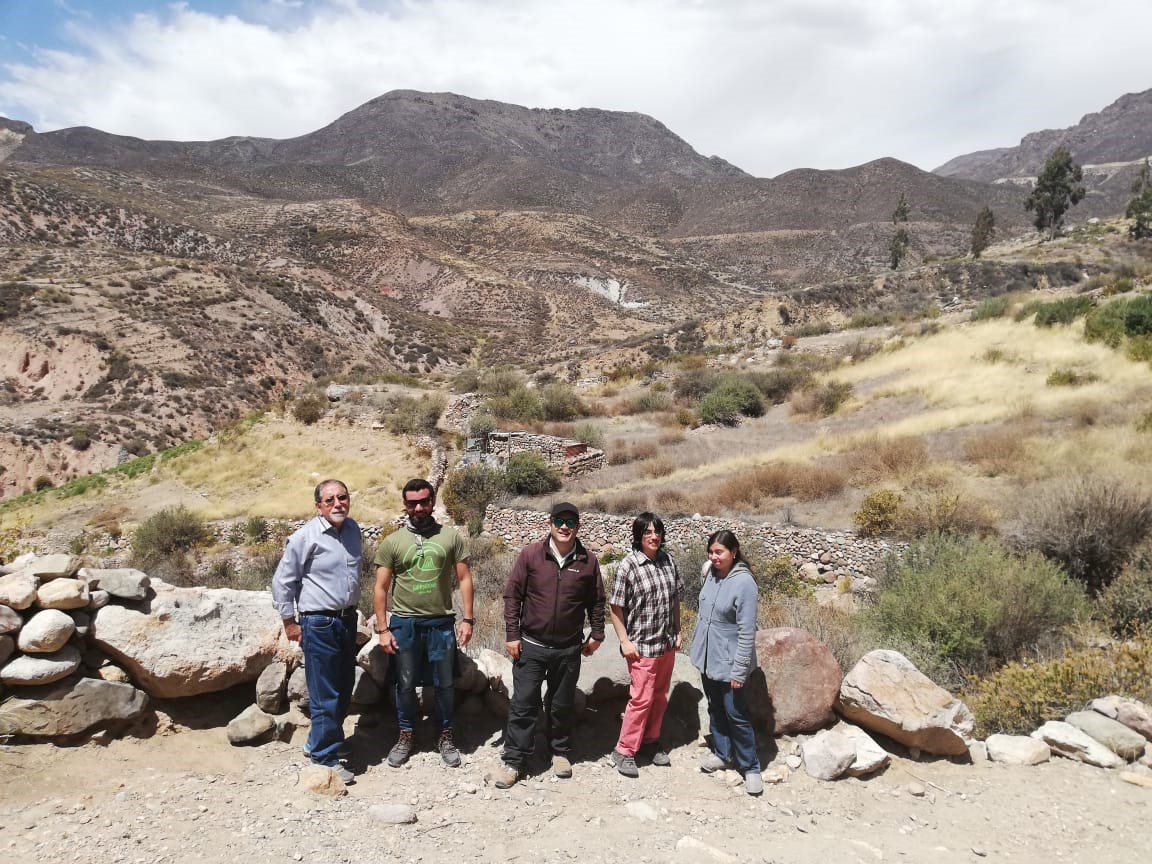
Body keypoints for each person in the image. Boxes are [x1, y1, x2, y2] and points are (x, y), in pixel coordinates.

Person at [491, 501, 606, 789]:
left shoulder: (588, 561)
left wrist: (597, 633)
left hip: (568, 648)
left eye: (570, 522)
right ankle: (514, 760)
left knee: (561, 704)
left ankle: (559, 752)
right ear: (550, 524)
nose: (564, 527)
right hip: (531, 645)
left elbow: (597, 601)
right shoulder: (531, 554)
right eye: (559, 521)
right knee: (523, 703)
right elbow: (512, 596)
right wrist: (512, 635)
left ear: (578, 526)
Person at [374, 478, 475, 768]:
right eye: (412, 503)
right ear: (404, 505)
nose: (418, 507)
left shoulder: (450, 537)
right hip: (404, 622)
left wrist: (468, 619)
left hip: (441, 622)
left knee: (445, 682)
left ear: (432, 501)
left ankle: (445, 734)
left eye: (424, 501)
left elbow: (465, 578)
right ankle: (406, 733)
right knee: (404, 683)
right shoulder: (393, 541)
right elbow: (380, 588)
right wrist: (383, 628)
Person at [271, 479, 362, 785]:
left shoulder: (353, 531)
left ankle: (318, 742)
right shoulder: (304, 537)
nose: (338, 503)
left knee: (343, 684)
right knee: (325, 691)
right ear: (319, 506)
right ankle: (325, 758)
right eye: (330, 499)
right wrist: (289, 621)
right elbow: (283, 582)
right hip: (319, 623)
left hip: (347, 620)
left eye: (343, 497)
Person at [607, 512, 683, 777]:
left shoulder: (667, 561)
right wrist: (624, 640)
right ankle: (624, 749)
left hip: (666, 643)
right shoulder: (629, 565)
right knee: (641, 699)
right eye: (648, 532)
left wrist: (678, 629)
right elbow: (615, 607)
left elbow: (674, 598)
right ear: (638, 536)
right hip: (641, 645)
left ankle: (650, 741)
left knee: (660, 696)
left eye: (657, 531)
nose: (654, 536)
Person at [688, 529, 763, 795]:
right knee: (715, 708)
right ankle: (723, 752)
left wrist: (740, 670)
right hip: (709, 656)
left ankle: (751, 766)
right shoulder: (711, 572)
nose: (714, 556)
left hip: (731, 661)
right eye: (711, 552)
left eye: (719, 552)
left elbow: (746, 631)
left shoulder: (744, 584)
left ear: (734, 552)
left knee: (736, 713)